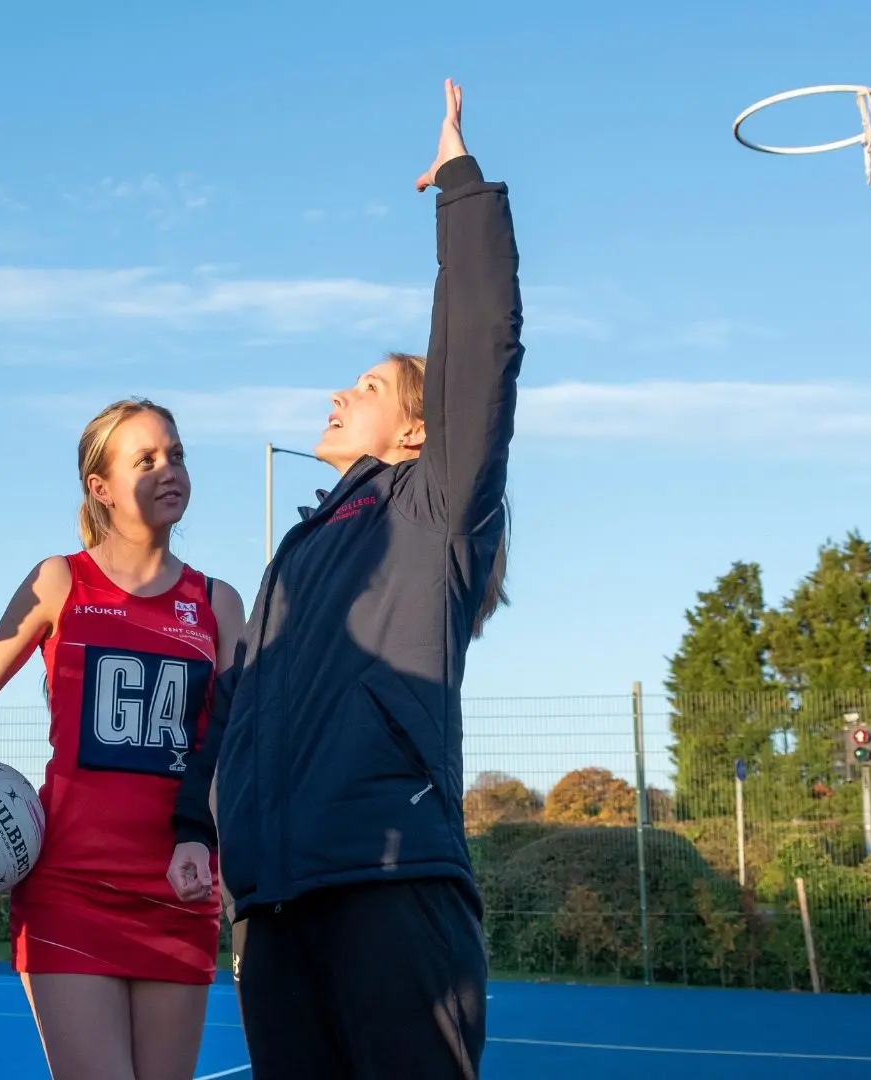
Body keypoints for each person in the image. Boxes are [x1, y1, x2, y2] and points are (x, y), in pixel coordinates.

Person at [170, 79, 519, 1080]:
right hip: (275, 904)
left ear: (416, 429)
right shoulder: (296, 554)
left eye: (366, 387)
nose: (337, 392)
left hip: (390, 882)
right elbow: (237, 703)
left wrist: (460, 187)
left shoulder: (432, 506)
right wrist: (197, 821)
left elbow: (483, 347)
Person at [0, 399, 247, 1080]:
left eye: (177, 454)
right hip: (70, 890)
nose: (171, 470)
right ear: (100, 488)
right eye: (147, 460)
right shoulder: (60, 581)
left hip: (180, 888)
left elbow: (239, 741)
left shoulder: (219, 602)